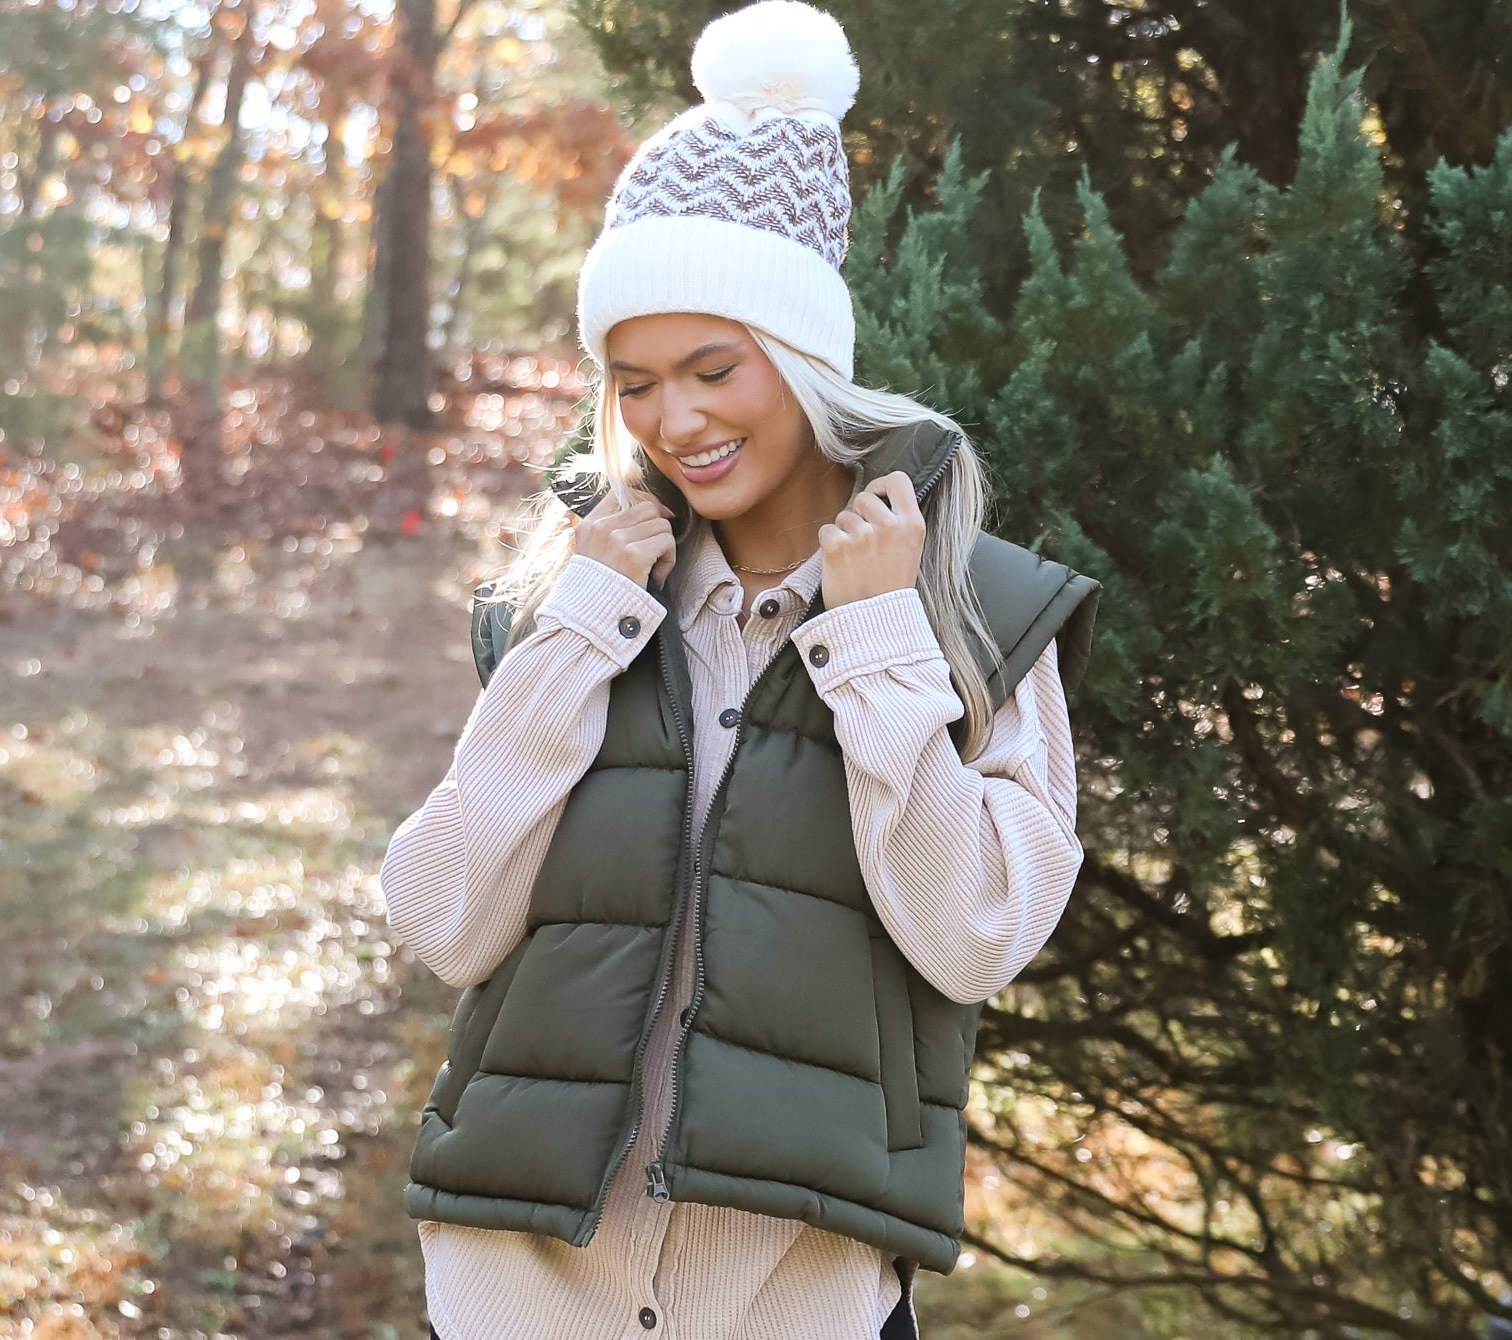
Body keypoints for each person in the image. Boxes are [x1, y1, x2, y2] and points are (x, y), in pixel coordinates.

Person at [376, 3, 1099, 1336]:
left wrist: (879, 650)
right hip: (523, 1294)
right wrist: (583, 623)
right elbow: (442, 920)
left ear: (809, 359)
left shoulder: (974, 612)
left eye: (714, 367)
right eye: (634, 382)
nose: (676, 421)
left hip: (790, 1299)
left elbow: (976, 938)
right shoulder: (579, 601)